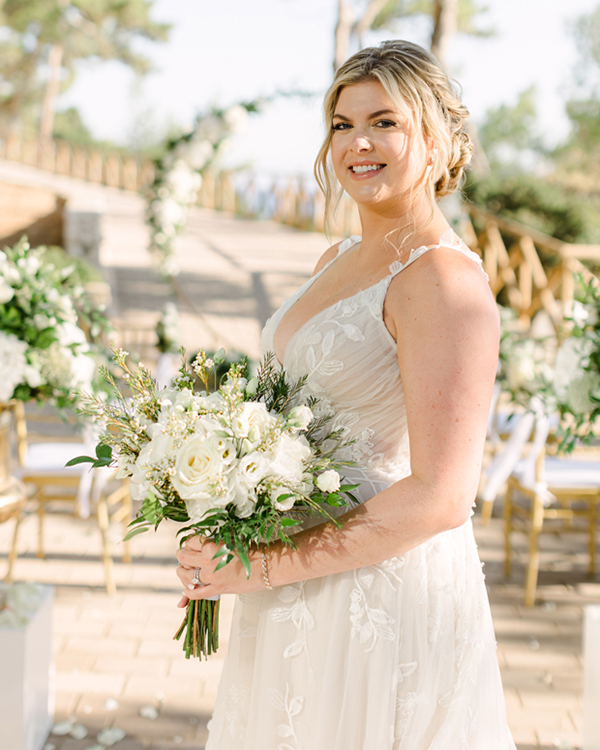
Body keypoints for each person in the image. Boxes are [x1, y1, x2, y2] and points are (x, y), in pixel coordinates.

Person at [176, 40, 516, 749]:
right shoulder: (335, 257)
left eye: (385, 121)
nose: (358, 141)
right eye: (341, 123)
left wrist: (258, 562)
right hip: (292, 584)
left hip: (379, 593)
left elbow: (442, 495)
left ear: (436, 138)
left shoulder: (445, 282)